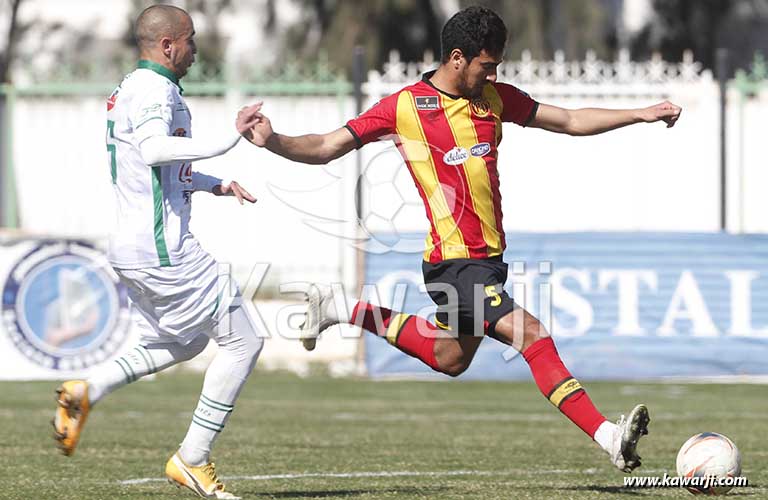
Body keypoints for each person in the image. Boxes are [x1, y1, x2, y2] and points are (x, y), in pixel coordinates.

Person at [238, 5, 682, 474]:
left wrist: (640, 113)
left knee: (449, 357)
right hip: (453, 264)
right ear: (457, 58)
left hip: (488, 261)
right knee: (531, 334)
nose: (493, 74)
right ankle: (609, 436)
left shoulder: (493, 99)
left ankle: (342, 308)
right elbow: (327, 146)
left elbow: (570, 119)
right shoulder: (404, 107)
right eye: (487, 65)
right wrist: (274, 140)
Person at [53, 5, 263, 499]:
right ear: (168, 45)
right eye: (190, 40)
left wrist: (213, 184)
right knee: (244, 342)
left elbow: (157, 168)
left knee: (185, 342)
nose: (195, 50)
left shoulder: (136, 87)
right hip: (162, 248)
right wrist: (229, 139)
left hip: (134, 247)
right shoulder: (153, 89)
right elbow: (152, 149)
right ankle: (192, 458)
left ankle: (89, 389)